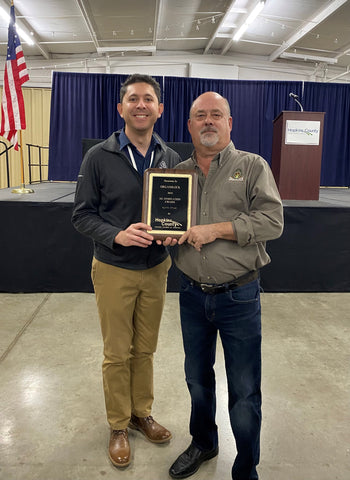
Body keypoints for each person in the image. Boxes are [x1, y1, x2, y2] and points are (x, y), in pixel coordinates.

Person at [168, 92, 284, 480]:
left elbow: (273, 221)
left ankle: (245, 467)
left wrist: (216, 229)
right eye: (200, 116)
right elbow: (167, 223)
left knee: (245, 390)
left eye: (216, 115)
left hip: (240, 295)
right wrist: (165, 233)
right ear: (190, 126)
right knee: (197, 379)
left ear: (230, 123)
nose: (208, 122)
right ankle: (204, 442)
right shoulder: (176, 173)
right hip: (190, 294)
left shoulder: (252, 166)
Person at [71, 74, 181, 468]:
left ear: (159, 109)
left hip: (156, 268)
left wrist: (173, 234)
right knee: (117, 352)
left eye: (148, 99)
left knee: (145, 350)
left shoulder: (169, 158)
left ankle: (141, 413)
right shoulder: (99, 157)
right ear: (121, 109)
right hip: (114, 268)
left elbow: (176, 214)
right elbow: (81, 216)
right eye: (132, 99)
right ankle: (118, 425)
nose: (140, 105)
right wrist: (117, 235)